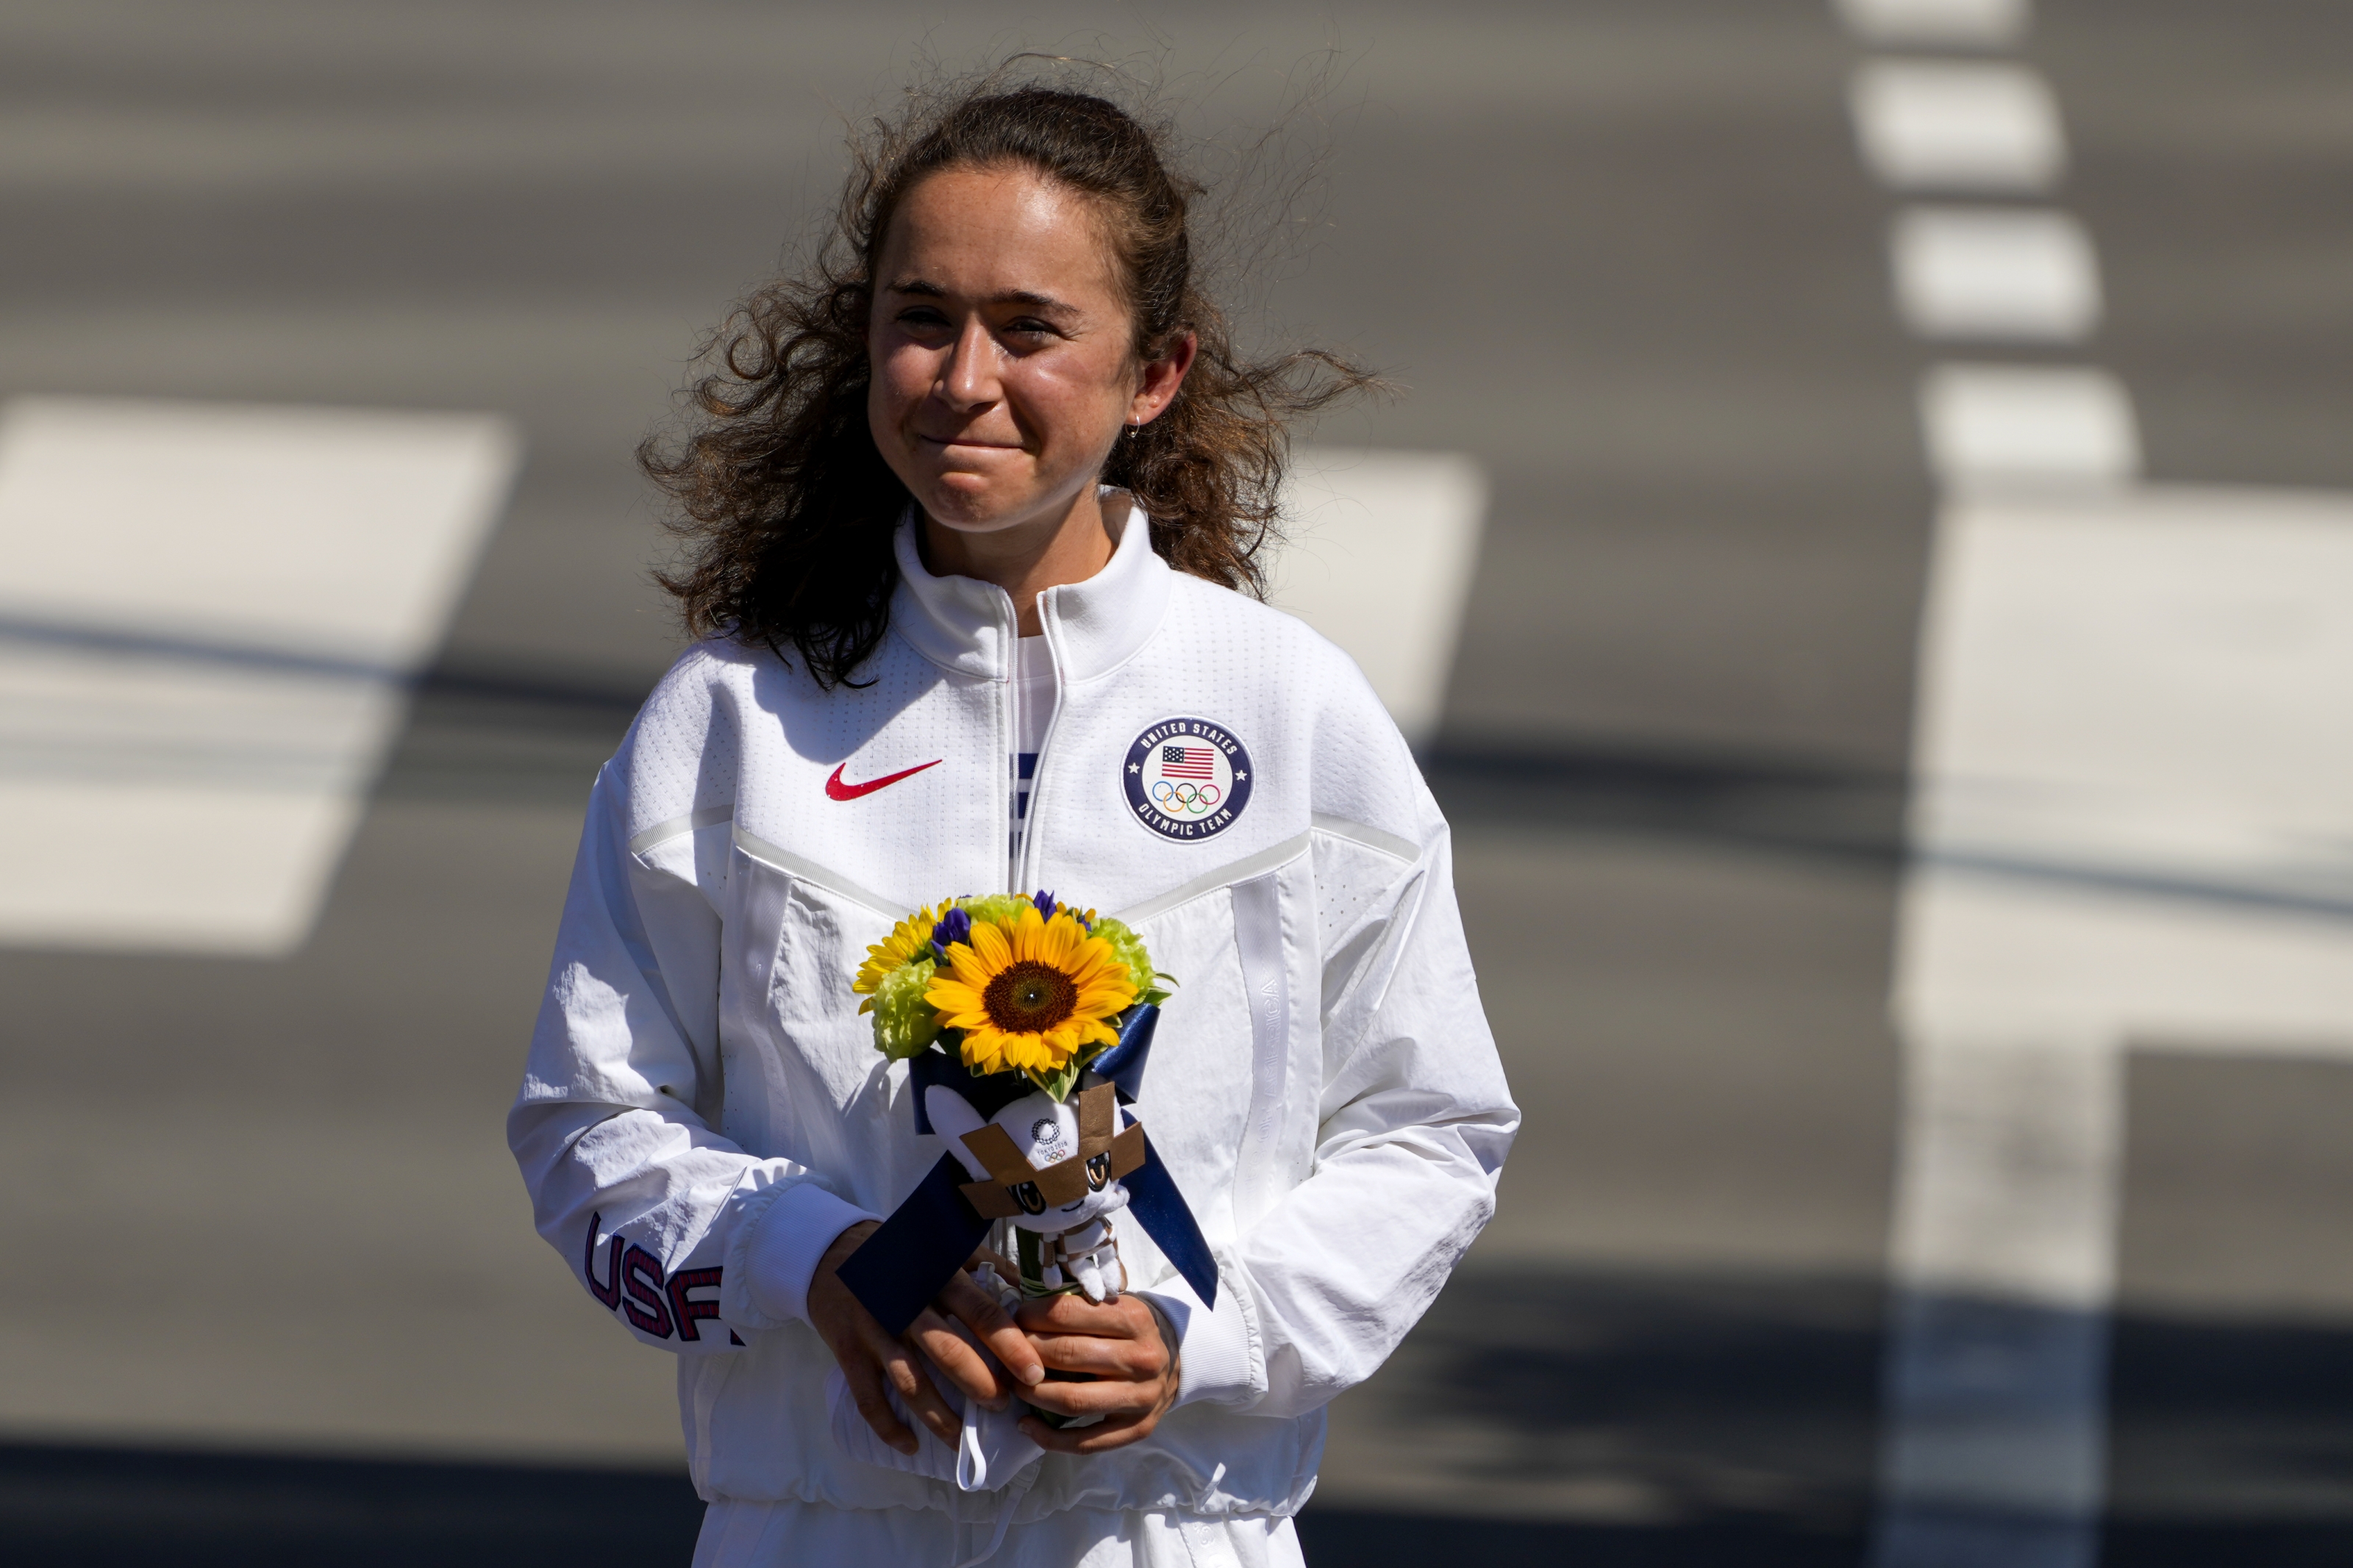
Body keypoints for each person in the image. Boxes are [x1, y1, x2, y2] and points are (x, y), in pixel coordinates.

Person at [509, 76, 1518, 1567]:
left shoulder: (1288, 710)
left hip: (1172, 1525)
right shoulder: (732, 718)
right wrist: (808, 1260)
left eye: (1030, 329)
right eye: (922, 318)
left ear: (1154, 373)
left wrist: (1213, 1331)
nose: (963, 378)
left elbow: (1428, 1127)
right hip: (815, 1528)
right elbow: (586, 1121)